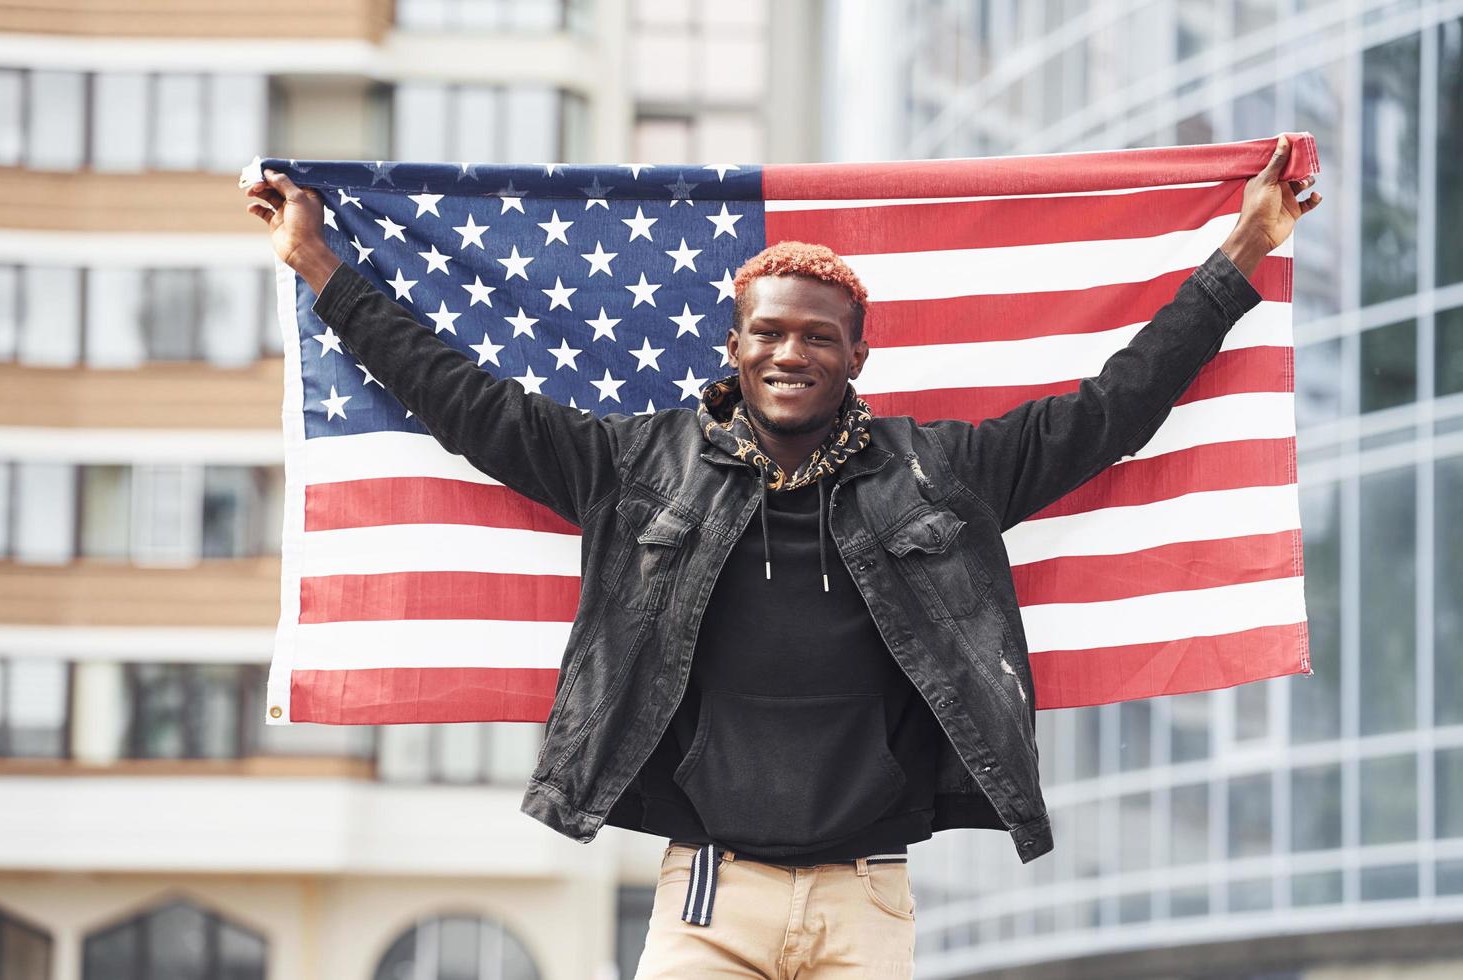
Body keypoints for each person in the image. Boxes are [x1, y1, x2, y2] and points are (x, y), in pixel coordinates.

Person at [245, 137, 1319, 978]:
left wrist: (1244, 250)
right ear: (735, 344)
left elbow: (1112, 408)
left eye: (815, 334)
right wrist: (318, 262)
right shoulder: (635, 467)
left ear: (858, 351)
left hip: (865, 899)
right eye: (767, 332)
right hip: (708, 894)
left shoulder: (942, 470)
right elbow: (464, 398)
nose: (788, 351)